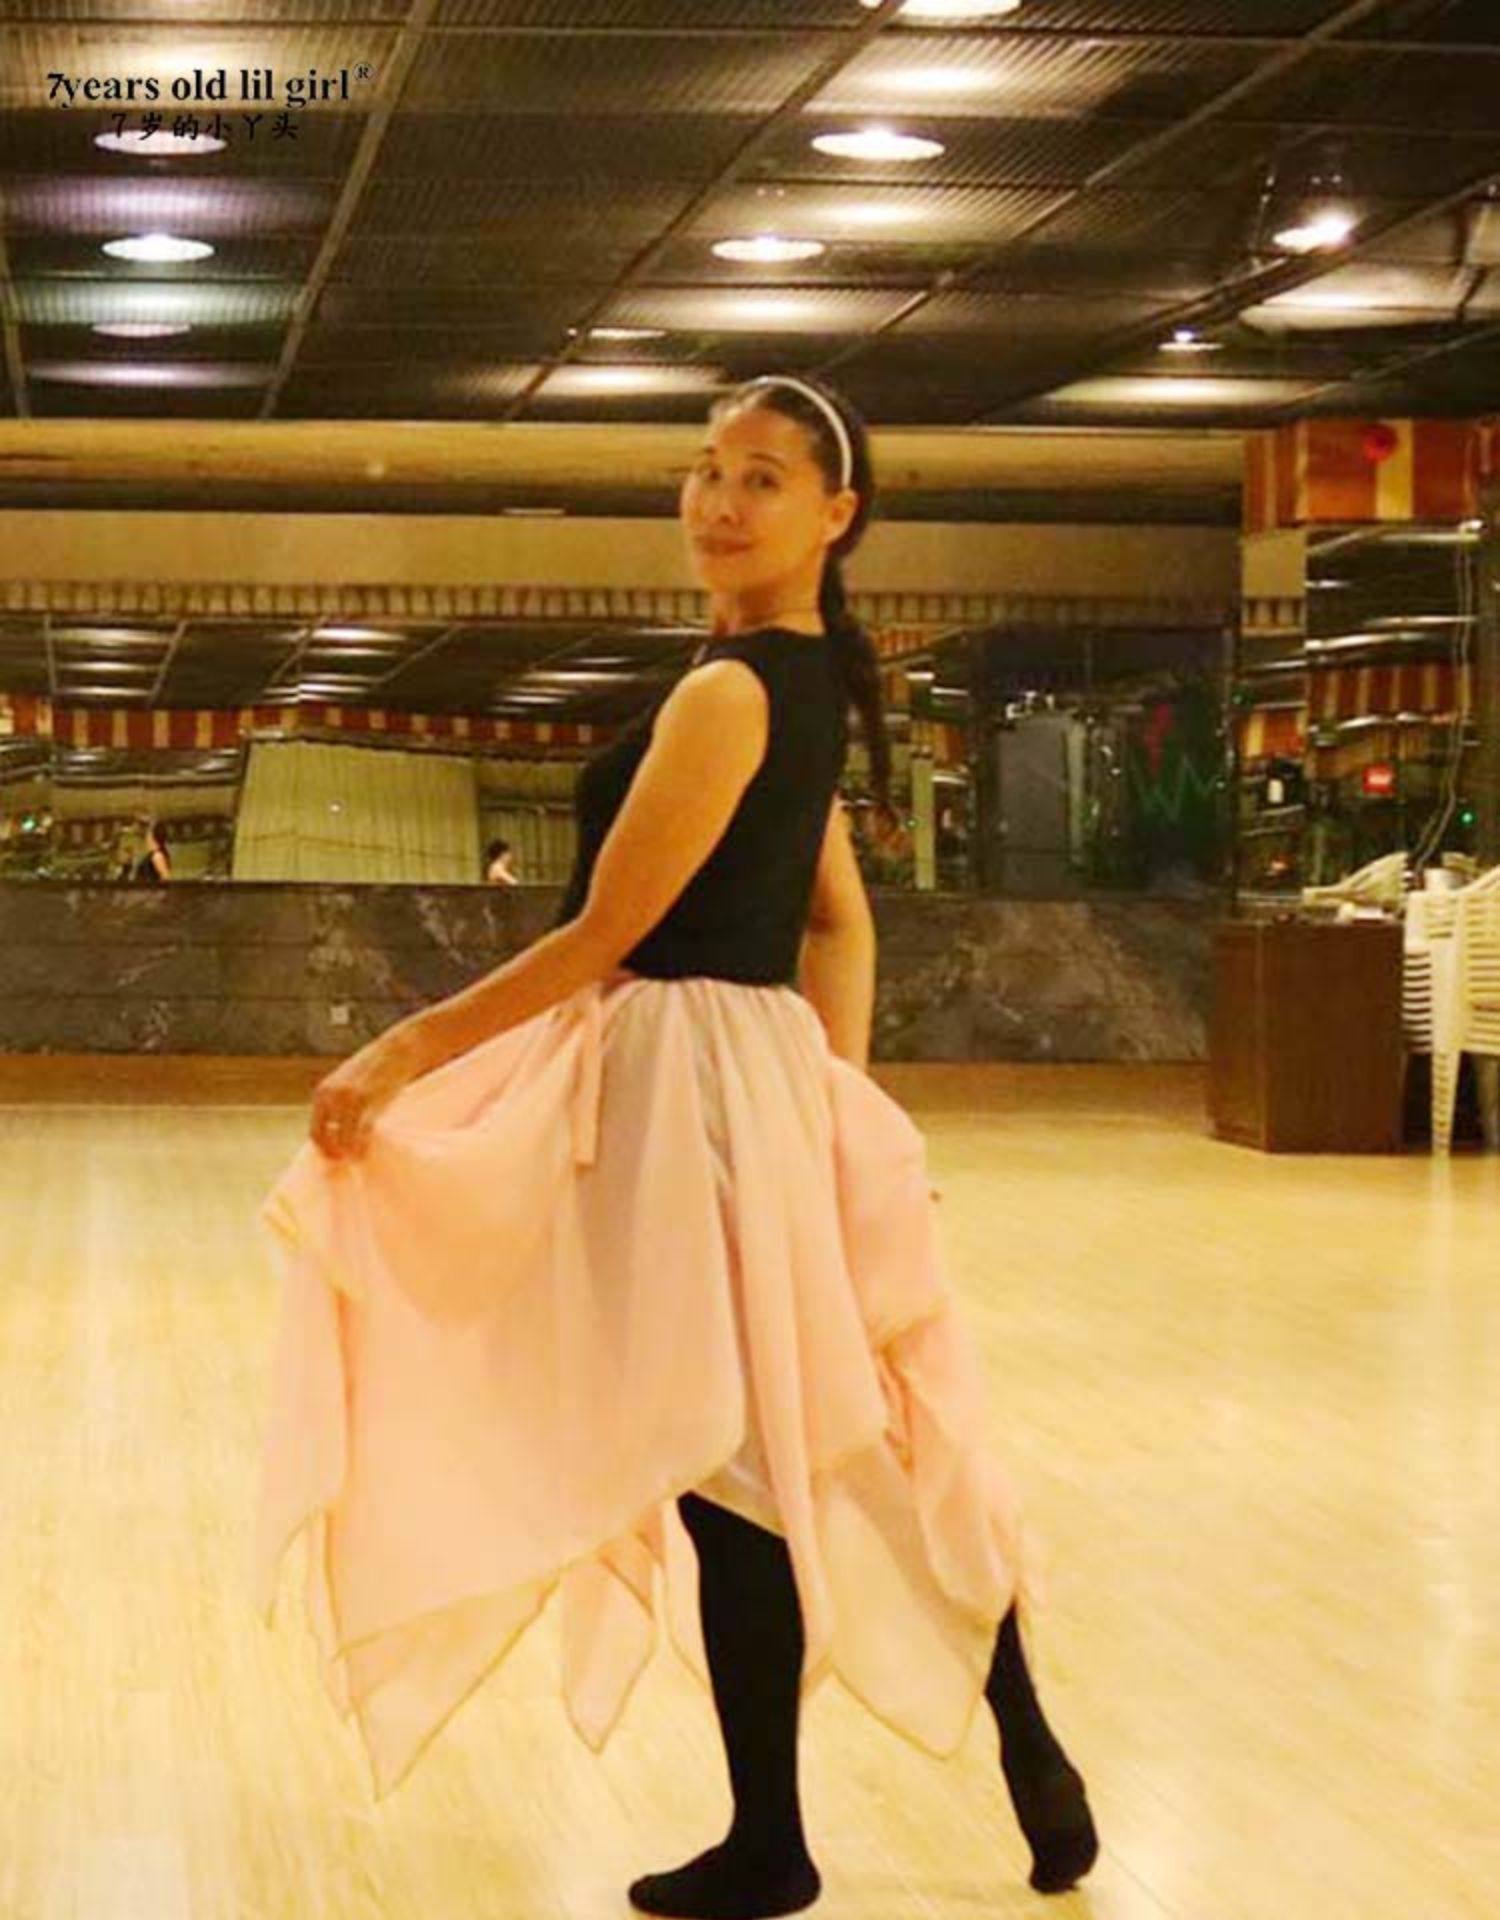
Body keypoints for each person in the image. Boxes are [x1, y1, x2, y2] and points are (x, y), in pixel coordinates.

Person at [256, 375, 1097, 1917]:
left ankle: (785, 1837)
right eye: (707, 470)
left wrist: (400, 1051)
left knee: (743, 1459)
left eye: (762, 477)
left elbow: (605, 933)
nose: (719, 501)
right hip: (739, 1083)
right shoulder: (790, 680)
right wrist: (824, 1099)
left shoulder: (730, 695)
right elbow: (836, 925)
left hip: (691, 1089)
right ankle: (1017, 1753)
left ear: (836, 515)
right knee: (821, 1436)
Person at [132, 819, 171, 884]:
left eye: (148, 833)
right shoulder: (152, 854)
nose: (146, 836)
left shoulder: (157, 856)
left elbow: (165, 877)